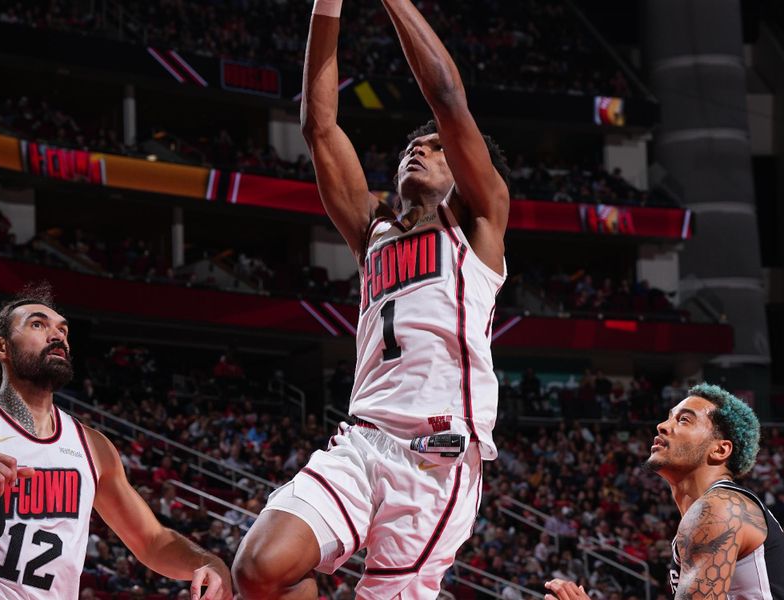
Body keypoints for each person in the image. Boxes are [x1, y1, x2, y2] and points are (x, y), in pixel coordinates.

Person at [232, 0, 510, 597]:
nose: (421, 148)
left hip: (436, 462)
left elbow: (447, 98)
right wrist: (326, 5)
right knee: (259, 570)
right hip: (362, 440)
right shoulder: (372, 232)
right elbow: (319, 125)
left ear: (463, 171)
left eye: (437, 148)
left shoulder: (478, 227)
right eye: (414, 145)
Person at [0, 286, 232, 599]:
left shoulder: (92, 447)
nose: (57, 335)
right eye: (38, 325)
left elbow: (152, 541)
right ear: (0, 347)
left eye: (63, 329)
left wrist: (208, 562)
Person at [545, 383, 784, 600]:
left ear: (720, 450)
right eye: (669, 418)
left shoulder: (718, 507)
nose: (662, 426)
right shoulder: (713, 511)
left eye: (684, 420)